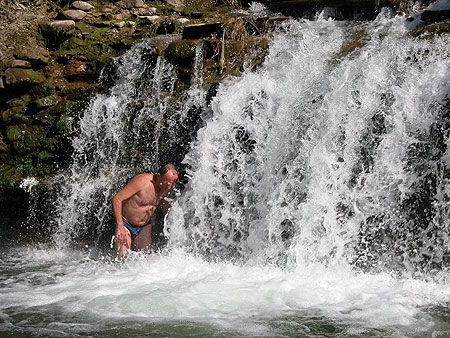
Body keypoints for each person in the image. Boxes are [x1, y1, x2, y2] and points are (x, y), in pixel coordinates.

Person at [112, 164, 178, 259]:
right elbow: (117, 199)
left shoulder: (165, 187)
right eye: (167, 183)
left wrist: (173, 224)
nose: (169, 187)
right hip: (126, 223)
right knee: (122, 259)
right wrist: (120, 226)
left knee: (145, 260)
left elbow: (165, 206)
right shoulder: (142, 181)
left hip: (144, 226)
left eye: (172, 183)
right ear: (159, 176)